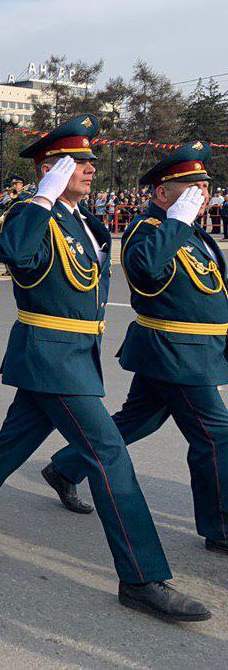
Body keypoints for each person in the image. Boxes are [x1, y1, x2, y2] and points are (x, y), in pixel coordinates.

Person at [0, 115, 211, 623]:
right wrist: (42, 196)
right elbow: (15, 254)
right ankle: (143, 578)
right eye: (76, 162)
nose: (87, 169)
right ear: (50, 169)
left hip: (73, 354)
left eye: (87, 161)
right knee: (109, 458)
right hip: (50, 354)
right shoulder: (33, 212)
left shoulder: (86, 221)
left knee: (10, 445)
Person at [43, 141, 228, 559]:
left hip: (194, 352)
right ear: (162, 195)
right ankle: (221, 526)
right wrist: (176, 223)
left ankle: (66, 466)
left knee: (138, 419)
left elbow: (214, 289)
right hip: (176, 354)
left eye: (204, 186)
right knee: (217, 437)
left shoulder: (192, 232)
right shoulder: (149, 231)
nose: (201, 194)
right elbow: (145, 272)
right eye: (191, 187)